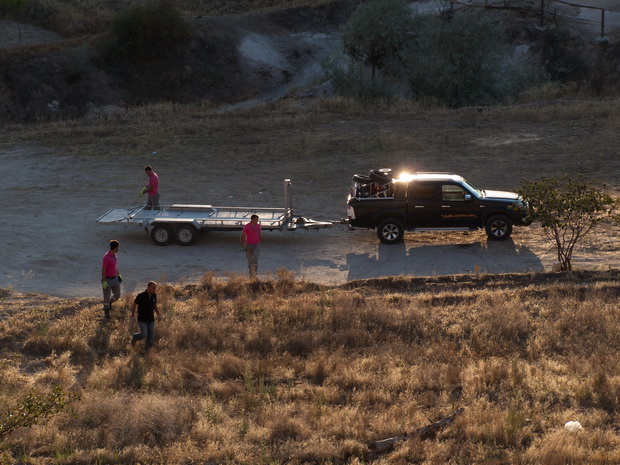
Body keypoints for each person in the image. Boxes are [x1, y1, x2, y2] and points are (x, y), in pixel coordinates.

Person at [130, 281, 160, 350]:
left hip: (151, 319)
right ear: (148, 287)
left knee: (151, 337)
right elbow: (134, 304)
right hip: (142, 319)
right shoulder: (141, 296)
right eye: (153, 288)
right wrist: (132, 314)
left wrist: (158, 314)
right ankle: (134, 337)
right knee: (144, 334)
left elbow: (154, 305)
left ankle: (147, 351)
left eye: (155, 288)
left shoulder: (154, 295)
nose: (154, 289)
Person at [101, 240, 122, 319]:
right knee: (106, 296)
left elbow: (115, 266)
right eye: (118, 247)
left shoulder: (115, 255)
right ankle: (106, 311)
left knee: (117, 295)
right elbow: (103, 269)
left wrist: (118, 274)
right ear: (115, 248)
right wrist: (104, 281)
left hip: (114, 278)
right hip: (107, 279)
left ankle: (110, 302)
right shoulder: (106, 257)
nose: (118, 249)